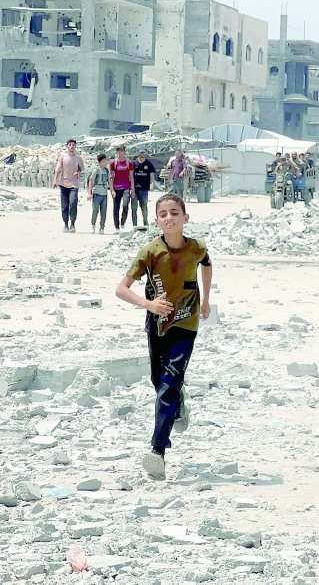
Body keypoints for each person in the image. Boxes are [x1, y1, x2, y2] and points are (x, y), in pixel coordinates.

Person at [115, 193, 212, 480]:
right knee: (159, 382)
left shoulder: (196, 248)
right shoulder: (149, 252)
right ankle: (179, 402)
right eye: (163, 214)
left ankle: (158, 450)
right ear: (156, 219)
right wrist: (150, 305)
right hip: (157, 325)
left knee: (169, 383)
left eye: (174, 212)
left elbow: (207, 264)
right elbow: (121, 289)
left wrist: (206, 301)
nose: (169, 218)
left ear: (185, 217)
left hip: (187, 324)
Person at [52, 138, 84, 233]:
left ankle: (73, 224)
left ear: (75, 146)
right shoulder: (62, 157)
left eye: (73, 145)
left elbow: (82, 169)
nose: (71, 147)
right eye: (70, 145)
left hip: (74, 184)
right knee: (64, 206)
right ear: (67, 146)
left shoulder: (78, 158)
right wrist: (55, 180)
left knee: (73, 203)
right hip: (63, 183)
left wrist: (78, 172)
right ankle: (66, 224)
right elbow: (57, 169)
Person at [109, 146, 135, 232]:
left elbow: (131, 176)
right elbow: (111, 178)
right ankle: (116, 227)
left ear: (124, 151)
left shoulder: (129, 163)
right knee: (116, 207)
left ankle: (122, 223)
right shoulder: (113, 163)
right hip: (116, 188)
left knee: (125, 205)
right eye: (118, 151)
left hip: (126, 187)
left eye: (121, 151)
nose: (120, 152)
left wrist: (133, 190)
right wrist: (112, 190)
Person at [132, 150, 157, 230]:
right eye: (140, 153)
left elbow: (152, 175)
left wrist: (152, 184)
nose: (142, 155)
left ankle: (145, 224)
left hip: (144, 189)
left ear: (145, 154)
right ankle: (134, 226)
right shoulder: (134, 163)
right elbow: (130, 176)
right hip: (135, 189)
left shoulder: (149, 164)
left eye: (143, 153)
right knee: (134, 208)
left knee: (144, 208)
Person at [87, 153, 110, 234]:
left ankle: (102, 227)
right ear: (100, 161)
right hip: (96, 193)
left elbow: (109, 181)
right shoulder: (96, 170)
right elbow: (91, 181)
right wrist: (89, 193)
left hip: (104, 194)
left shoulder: (107, 171)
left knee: (104, 211)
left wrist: (112, 190)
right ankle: (93, 225)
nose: (105, 162)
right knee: (95, 210)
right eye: (104, 160)